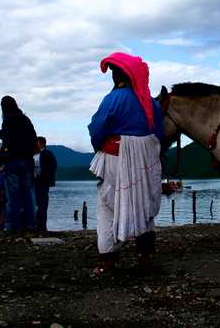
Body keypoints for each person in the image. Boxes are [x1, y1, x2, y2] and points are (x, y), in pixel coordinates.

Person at [88, 52, 165, 275]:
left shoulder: (112, 99)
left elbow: (96, 131)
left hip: (114, 156)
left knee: (107, 205)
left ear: (117, 76)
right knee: (145, 205)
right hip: (146, 160)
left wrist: (100, 145)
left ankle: (107, 263)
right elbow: (158, 133)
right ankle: (146, 261)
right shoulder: (150, 102)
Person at [0, 96, 38, 232]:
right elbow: (37, 145)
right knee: (28, 193)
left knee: (12, 194)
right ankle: (31, 224)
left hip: (12, 161)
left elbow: (2, 143)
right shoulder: (26, 120)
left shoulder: (8, 122)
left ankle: (15, 225)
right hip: (26, 161)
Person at [33, 136, 57, 232]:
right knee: (33, 203)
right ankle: (33, 224)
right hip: (32, 181)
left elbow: (53, 166)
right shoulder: (33, 154)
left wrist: (43, 175)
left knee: (42, 204)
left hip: (42, 182)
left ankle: (42, 226)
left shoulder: (47, 154)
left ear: (42, 144)